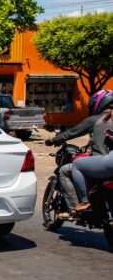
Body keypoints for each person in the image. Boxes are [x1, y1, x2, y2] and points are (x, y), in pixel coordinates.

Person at [45, 89, 113, 218]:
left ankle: (80, 205)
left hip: (105, 163)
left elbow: (71, 132)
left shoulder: (98, 119)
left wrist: (53, 140)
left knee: (68, 169)